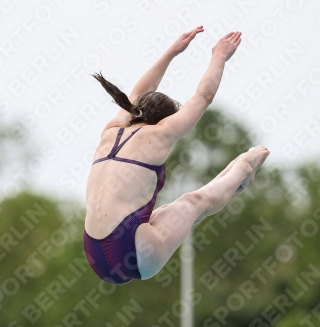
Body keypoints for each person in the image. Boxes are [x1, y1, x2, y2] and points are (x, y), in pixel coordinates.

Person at [84, 27, 270, 285]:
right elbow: (203, 97)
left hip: (95, 254)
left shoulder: (111, 130)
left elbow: (138, 93)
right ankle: (244, 167)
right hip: (134, 251)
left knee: (173, 210)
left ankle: (234, 175)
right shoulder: (162, 133)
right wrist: (219, 57)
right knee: (193, 202)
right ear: (165, 119)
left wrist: (171, 52)